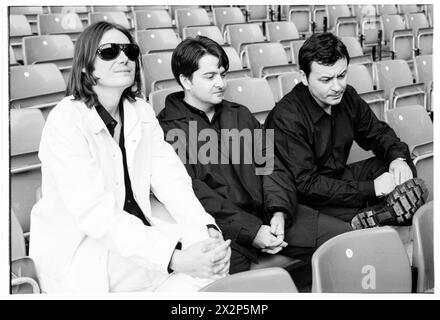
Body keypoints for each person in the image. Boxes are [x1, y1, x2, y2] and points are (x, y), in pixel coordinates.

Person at [29, 22, 231, 293]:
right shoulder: (65, 121)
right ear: (86, 67)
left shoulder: (140, 110)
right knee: (193, 267)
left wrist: (206, 229)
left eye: (129, 50)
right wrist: (175, 258)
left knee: (213, 265)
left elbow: (172, 180)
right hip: (88, 250)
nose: (124, 57)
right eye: (110, 51)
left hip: (138, 238)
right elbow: (95, 214)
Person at [158, 36, 352, 274]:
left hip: (269, 214)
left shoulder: (239, 115)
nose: (220, 83)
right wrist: (252, 231)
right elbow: (194, 194)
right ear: (186, 81)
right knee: (244, 285)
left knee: (345, 240)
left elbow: (271, 165)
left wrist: (279, 211)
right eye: (210, 77)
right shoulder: (168, 130)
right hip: (225, 231)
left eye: (223, 74)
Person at [264, 32, 428, 230]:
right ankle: (381, 211)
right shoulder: (287, 117)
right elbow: (307, 185)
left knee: (399, 161)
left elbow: (377, 133)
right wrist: (373, 188)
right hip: (310, 194)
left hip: (341, 178)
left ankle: (379, 212)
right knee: (315, 206)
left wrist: (397, 160)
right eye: (326, 80)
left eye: (341, 76)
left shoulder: (347, 95)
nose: (337, 87)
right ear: (304, 78)